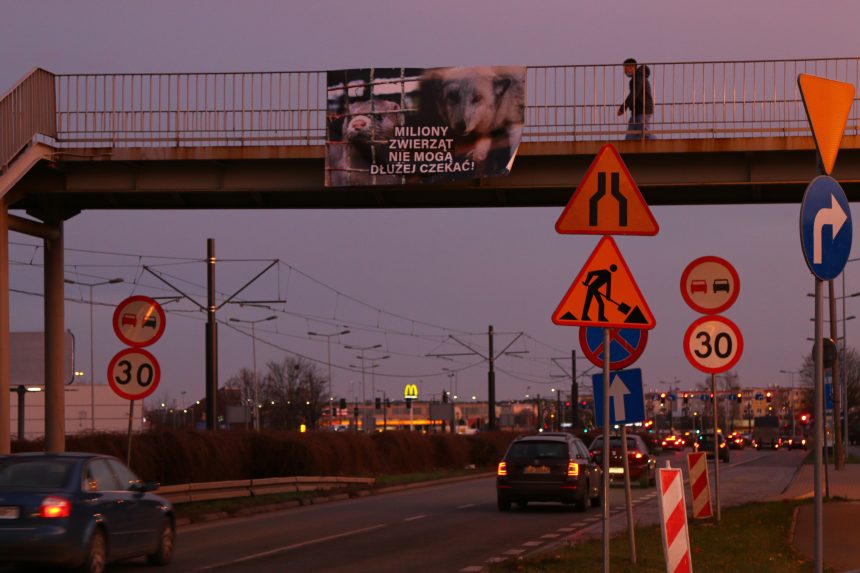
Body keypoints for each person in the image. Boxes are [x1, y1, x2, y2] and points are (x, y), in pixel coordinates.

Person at [617, 58, 655, 140]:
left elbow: (634, 94)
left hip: (643, 110)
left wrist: (623, 108)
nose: (624, 71)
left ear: (631, 67)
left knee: (645, 134)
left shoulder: (639, 78)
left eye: (625, 69)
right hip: (637, 111)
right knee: (631, 136)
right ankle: (627, 150)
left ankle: (658, 144)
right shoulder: (636, 78)